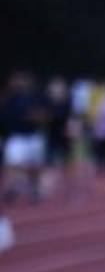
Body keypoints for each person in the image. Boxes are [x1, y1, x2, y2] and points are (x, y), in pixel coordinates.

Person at [1, 71, 48, 204]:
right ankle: (13, 186)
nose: (19, 83)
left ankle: (34, 190)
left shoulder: (36, 96)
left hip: (33, 136)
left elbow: (45, 115)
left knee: (34, 167)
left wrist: (35, 116)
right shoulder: (9, 98)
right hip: (16, 137)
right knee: (12, 164)